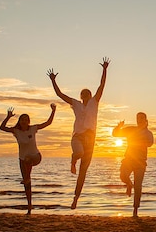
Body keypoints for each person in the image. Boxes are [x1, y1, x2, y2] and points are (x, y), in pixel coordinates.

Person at [47, 57, 110, 209]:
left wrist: (104, 69)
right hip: (78, 137)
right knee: (79, 153)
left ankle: (75, 199)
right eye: (84, 94)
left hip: (91, 138)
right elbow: (60, 95)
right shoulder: (75, 104)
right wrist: (53, 80)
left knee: (83, 173)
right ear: (81, 96)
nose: (87, 95)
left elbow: (102, 85)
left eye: (88, 94)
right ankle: (73, 160)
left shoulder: (95, 102)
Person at [0, 104, 56, 215]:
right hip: (23, 159)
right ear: (20, 121)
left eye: (26, 120)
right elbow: (2, 128)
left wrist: (53, 111)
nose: (24, 121)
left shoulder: (33, 128)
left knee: (27, 160)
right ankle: (29, 206)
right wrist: (8, 117)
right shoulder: (16, 131)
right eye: (22, 120)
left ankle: (27, 178)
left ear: (29, 121)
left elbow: (48, 123)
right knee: (27, 185)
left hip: (36, 157)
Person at [112, 112, 154, 217]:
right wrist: (118, 126)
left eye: (141, 118)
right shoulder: (131, 129)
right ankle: (129, 184)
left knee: (138, 186)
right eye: (138, 118)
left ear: (145, 119)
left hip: (140, 162)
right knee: (122, 176)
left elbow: (150, 143)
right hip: (129, 159)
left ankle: (135, 211)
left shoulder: (148, 133)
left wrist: (139, 140)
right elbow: (115, 134)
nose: (139, 119)